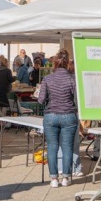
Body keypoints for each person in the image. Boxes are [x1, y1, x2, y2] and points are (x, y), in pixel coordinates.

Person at [38, 49, 78, 187]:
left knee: (52, 147)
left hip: (51, 116)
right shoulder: (72, 79)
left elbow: (41, 100)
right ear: (67, 63)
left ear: (54, 63)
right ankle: (66, 177)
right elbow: (77, 100)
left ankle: (54, 179)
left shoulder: (47, 79)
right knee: (67, 147)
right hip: (68, 115)